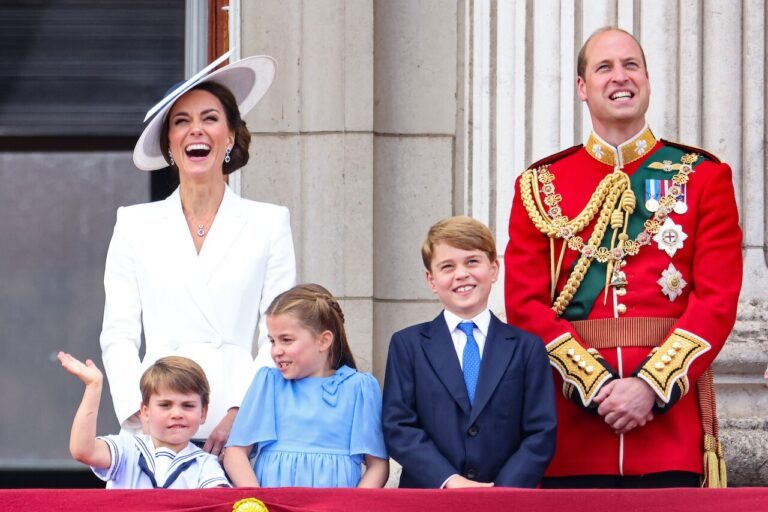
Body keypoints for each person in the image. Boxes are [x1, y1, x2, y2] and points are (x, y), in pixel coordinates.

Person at [505, 27, 742, 488]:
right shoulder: (540, 185)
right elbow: (525, 305)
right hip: (571, 436)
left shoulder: (703, 177)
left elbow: (716, 300)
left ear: (648, 80)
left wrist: (649, 387)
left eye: (631, 65)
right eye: (604, 67)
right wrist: (597, 388)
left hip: (667, 432)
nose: (621, 77)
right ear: (582, 87)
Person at [100, 54, 296, 456]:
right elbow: (118, 335)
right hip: (155, 418)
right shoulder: (134, 224)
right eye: (181, 121)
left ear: (229, 136)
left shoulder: (269, 222)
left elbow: (278, 335)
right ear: (169, 144)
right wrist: (140, 415)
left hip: (239, 422)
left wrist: (245, 411)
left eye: (209, 118)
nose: (196, 130)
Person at [382, 216, 557, 489]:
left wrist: (501, 492)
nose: (461, 274)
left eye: (472, 261)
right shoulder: (408, 345)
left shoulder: (527, 347)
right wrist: (450, 481)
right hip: (429, 498)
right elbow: (399, 426)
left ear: (494, 269)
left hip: (504, 501)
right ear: (431, 279)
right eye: (447, 266)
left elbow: (540, 432)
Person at [223, 283, 389, 488]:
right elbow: (236, 452)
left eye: (286, 340)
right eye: (272, 341)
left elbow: (378, 465)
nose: (276, 351)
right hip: (274, 506)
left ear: (324, 340)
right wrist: (258, 502)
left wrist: (353, 506)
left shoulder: (359, 388)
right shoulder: (268, 383)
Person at [58, 352, 230, 489]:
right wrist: (93, 386)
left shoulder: (206, 464)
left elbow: (217, 503)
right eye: (165, 405)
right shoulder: (127, 449)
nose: (177, 413)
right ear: (145, 412)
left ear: (203, 413)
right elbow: (83, 451)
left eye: (188, 406)